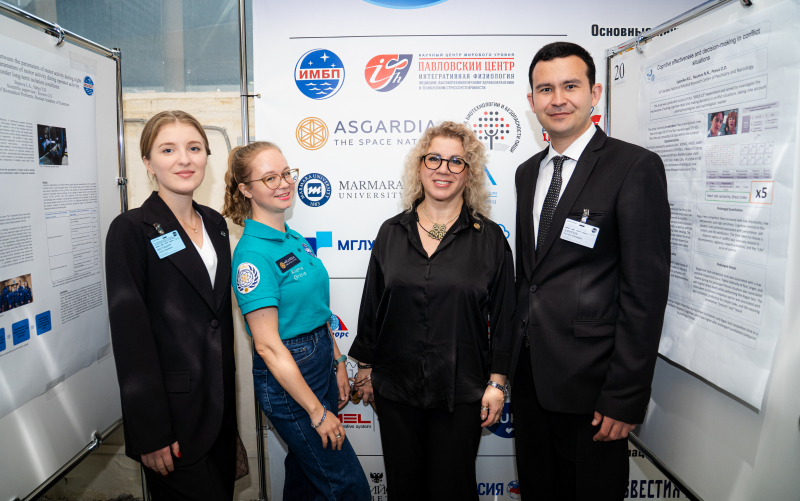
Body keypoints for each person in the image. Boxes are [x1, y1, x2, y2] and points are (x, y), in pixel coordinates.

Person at [511, 42, 671, 500]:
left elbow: (645, 293)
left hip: (594, 389)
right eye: (545, 89)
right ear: (532, 101)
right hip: (530, 379)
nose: (558, 99)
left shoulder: (634, 166)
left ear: (594, 93)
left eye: (570, 86)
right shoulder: (527, 173)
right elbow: (532, 278)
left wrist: (625, 395)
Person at [349, 122, 516, 501]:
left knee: (452, 490)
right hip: (396, 391)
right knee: (404, 490)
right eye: (434, 158)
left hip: (461, 392)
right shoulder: (391, 232)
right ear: (420, 166)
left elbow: (506, 317)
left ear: (469, 172)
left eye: (456, 161)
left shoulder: (489, 238)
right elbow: (373, 304)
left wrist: (497, 383)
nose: (444, 169)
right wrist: (366, 368)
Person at [223, 141, 370, 501]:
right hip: (288, 376)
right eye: (269, 178)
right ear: (246, 189)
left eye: (286, 173)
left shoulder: (290, 237)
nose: (284, 183)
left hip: (319, 359)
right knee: (348, 488)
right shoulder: (252, 256)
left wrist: (336, 360)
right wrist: (317, 413)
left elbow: (316, 311)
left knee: (306, 479)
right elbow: (268, 347)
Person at [105, 110, 238, 500]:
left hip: (219, 408)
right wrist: (150, 432)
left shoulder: (215, 224)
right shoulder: (131, 229)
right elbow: (130, 336)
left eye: (194, 148)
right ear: (148, 163)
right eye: (168, 150)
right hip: (171, 421)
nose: (184, 159)